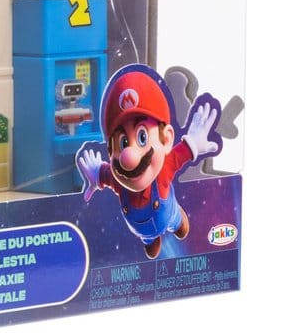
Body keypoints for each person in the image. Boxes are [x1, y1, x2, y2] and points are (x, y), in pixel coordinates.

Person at [77, 65, 220, 259]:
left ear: (166, 139)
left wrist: (194, 143)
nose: (129, 156)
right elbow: (106, 176)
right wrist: (96, 175)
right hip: (140, 230)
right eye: (123, 142)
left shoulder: (163, 170)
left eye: (142, 137)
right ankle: (150, 239)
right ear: (110, 151)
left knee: (176, 222)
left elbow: (182, 154)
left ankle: (177, 221)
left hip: (167, 213)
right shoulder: (119, 181)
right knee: (148, 239)